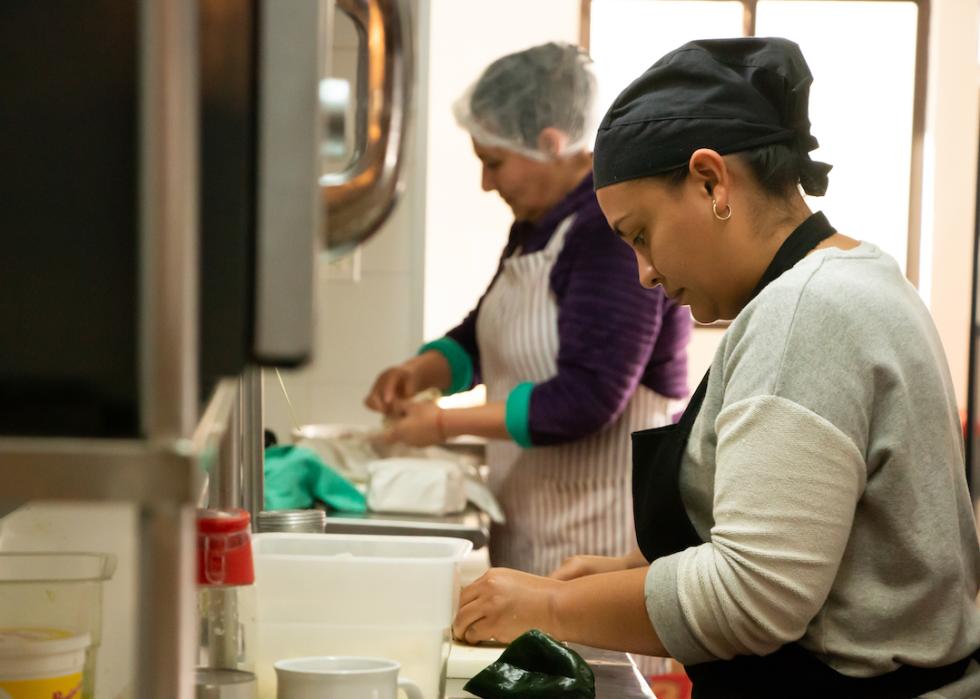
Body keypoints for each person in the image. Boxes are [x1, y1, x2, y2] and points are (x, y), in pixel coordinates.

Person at [451, 37, 980, 699]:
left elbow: (753, 596)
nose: (644, 273)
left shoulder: (804, 311)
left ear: (710, 180)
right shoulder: (856, 277)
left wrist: (548, 608)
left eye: (641, 234)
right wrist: (626, 568)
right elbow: (814, 526)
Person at [364, 42, 692, 576]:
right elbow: (484, 335)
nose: (486, 183)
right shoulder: (537, 228)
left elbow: (588, 397)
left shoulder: (607, 234)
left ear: (549, 143)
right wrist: (421, 371)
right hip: (535, 533)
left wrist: (444, 424)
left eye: (493, 163)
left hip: (600, 544)